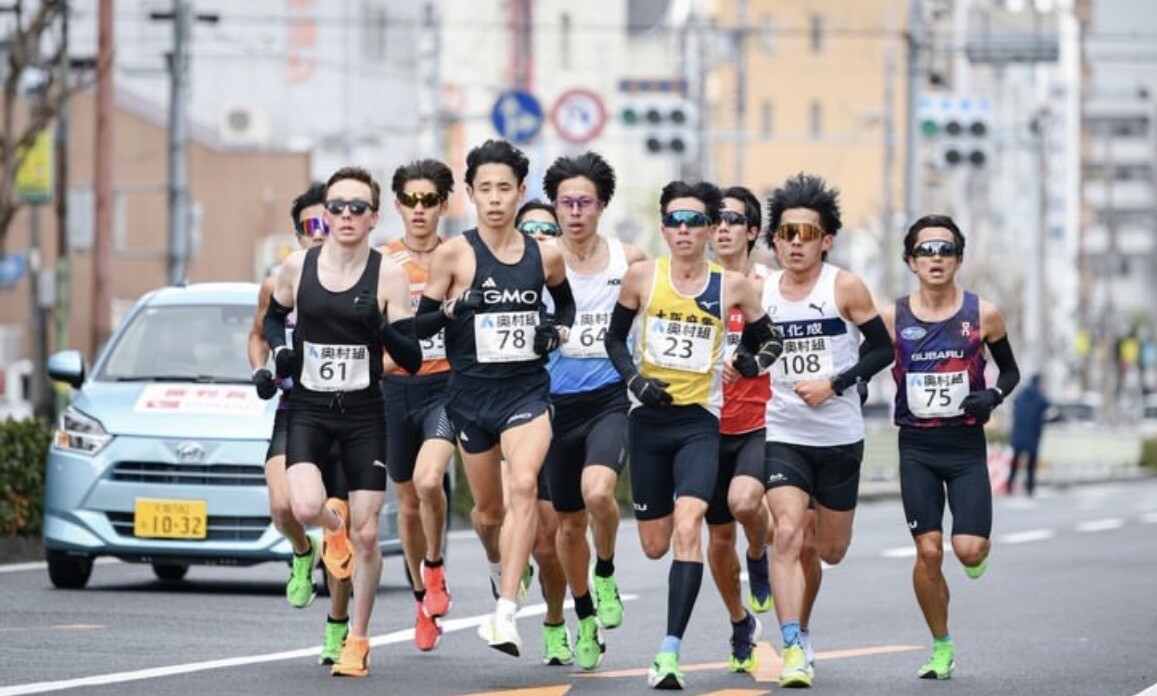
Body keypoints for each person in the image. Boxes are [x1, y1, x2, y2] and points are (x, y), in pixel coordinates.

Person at [604, 180, 784, 690]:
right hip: (648, 421)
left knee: (690, 526)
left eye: (695, 222)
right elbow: (614, 339)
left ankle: (669, 651)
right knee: (655, 544)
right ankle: (740, 622)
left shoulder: (733, 286)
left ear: (708, 229)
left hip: (699, 423)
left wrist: (750, 363)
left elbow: (771, 341)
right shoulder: (642, 277)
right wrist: (635, 381)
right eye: (675, 221)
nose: (684, 230)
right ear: (664, 228)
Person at [415, 139, 575, 658]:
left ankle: (505, 614)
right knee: (488, 514)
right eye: (485, 189)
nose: (495, 198)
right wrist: (456, 306)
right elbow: (420, 325)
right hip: (470, 397)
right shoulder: (454, 255)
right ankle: (497, 565)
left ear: (520, 192)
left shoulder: (544, 255)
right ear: (470, 194)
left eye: (504, 188)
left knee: (524, 485)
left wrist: (556, 330)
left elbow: (565, 307)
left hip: (526, 391)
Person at [263, 166, 423, 677]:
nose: (346, 215)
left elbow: (413, 357)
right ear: (326, 216)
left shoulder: (389, 276)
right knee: (306, 506)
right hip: (310, 410)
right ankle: (332, 534)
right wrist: (281, 352)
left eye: (358, 208)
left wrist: (380, 326)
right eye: (337, 207)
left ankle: (358, 638)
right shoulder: (298, 267)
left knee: (369, 536)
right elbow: (273, 317)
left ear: (374, 217)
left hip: (364, 416)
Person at [760, 173, 894, 687]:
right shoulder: (761, 291)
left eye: (807, 234)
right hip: (782, 431)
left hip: (838, 435)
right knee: (787, 533)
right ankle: (793, 644)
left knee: (828, 548)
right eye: (787, 233)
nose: (796, 243)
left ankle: (804, 624)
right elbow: (747, 347)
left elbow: (882, 349)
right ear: (775, 240)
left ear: (826, 240)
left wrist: (836, 384)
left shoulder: (844, 287)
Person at [881, 214, 1019, 680]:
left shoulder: (983, 314)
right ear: (911, 261)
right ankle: (941, 645)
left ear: (959, 259)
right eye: (926, 250)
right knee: (928, 552)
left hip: (964, 447)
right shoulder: (893, 317)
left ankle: (976, 550)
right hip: (916, 447)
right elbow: (867, 358)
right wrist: (850, 384)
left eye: (945, 250)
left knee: (969, 550)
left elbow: (1011, 371)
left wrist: (993, 395)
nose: (935, 258)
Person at [541, 152, 648, 671]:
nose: (575, 212)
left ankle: (605, 570)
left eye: (584, 202)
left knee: (599, 493)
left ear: (602, 205)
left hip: (608, 398)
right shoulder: (538, 261)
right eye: (566, 203)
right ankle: (584, 615)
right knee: (566, 526)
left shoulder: (630, 260)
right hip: (551, 404)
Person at [248, 183, 352, 665]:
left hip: (347, 414)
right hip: (294, 409)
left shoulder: (359, 278)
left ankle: (337, 626)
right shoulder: (279, 281)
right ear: (298, 234)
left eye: (327, 222)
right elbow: (258, 334)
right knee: (282, 504)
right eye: (311, 225)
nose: (320, 232)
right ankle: (299, 552)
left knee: (339, 528)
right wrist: (262, 369)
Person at [375, 159, 459, 652]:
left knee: (430, 481)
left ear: (443, 206)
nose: (419, 209)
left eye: (429, 200)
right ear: (398, 205)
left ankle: (435, 567)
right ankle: (421, 600)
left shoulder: (458, 257)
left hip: (445, 386)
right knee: (406, 500)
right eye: (410, 200)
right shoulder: (383, 263)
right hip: (394, 389)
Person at [704, 185, 773, 674]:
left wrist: (751, 359)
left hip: (758, 420)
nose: (722, 228)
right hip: (706, 423)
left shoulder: (768, 286)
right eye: (715, 220)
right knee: (716, 538)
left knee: (745, 503)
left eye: (732, 220)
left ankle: (759, 551)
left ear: (752, 231)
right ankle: (739, 621)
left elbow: (782, 344)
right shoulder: (692, 284)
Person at [514, 199, 577, 667]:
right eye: (529, 228)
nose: (538, 237)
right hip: (505, 409)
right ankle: (504, 564)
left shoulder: (569, 284)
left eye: (547, 230)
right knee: (491, 514)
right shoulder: (492, 275)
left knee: (547, 543)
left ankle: (556, 621)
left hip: (559, 413)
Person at [1008, 374, 1049, 496]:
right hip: (1033, 434)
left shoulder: (1020, 396)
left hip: (1019, 434)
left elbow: (1014, 406)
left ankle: (1010, 484)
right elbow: (1048, 406)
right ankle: (1030, 487)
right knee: (1031, 463)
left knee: (1015, 460)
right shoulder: (1039, 398)